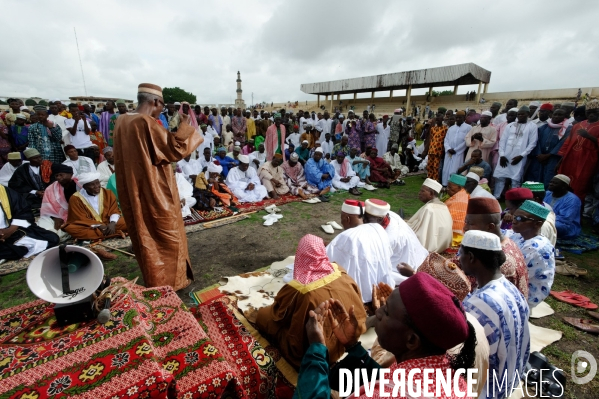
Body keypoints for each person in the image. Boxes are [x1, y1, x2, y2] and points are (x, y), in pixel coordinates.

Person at [294, 273, 477, 399]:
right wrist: (353, 346)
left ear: (412, 340)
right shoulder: (444, 372)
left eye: (387, 311)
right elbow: (390, 380)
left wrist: (316, 350)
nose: (377, 313)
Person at [114, 83, 202, 291]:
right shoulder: (145, 122)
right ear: (155, 102)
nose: (162, 108)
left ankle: (155, 278)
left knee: (144, 233)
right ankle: (171, 282)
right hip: (154, 189)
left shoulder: (122, 121)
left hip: (133, 188)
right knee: (167, 234)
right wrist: (185, 126)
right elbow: (174, 150)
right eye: (162, 104)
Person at [256, 234, 366, 370]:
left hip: (316, 349)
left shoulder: (299, 289)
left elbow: (278, 314)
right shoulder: (340, 271)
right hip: (350, 337)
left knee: (263, 315)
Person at [460, 230, 530, 399]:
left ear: (471, 257)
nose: (458, 258)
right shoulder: (510, 288)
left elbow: (465, 355)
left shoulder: (481, 303)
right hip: (510, 380)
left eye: (460, 253)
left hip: (488, 390)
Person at [461, 197, 529, 298]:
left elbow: (465, 288)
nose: (465, 228)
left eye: (470, 224)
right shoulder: (504, 241)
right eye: (465, 222)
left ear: (490, 227)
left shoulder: (496, 260)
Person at [503, 200, 555, 309]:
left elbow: (511, 273)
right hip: (514, 283)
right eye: (514, 216)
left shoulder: (537, 248)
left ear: (538, 224)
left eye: (520, 218)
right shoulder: (520, 235)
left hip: (524, 296)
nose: (514, 221)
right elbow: (500, 235)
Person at [326, 221, 394, 303]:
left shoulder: (348, 237)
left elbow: (330, 259)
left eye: (342, 219)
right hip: (381, 292)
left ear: (347, 218)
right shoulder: (378, 230)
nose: (342, 222)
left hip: (360, 299)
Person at [364, 199, 428, 284]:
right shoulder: (387, 214)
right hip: (414, 254)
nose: (363, 221)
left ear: (379, 219)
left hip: (404, 268)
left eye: (367, 219)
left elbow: (373, 261)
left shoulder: (388, 238)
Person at [0, 183, 59, 260]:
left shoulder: (5, 192)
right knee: (15, 251)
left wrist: (10, 230)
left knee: (53, 238)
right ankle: (17, 250)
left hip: (13, 230)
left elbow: (23, 211)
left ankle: (18, 250)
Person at [557, 100, 599, 203]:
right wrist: (561, 160)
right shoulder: (578, 125)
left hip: (587, 162)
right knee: (564, 184)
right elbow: (567, 142)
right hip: (570, 160)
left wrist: (589, 136)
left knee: (579, 188)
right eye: (589, 112)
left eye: (595, 112)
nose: (591, 114)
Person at [63, 172, 127, 241]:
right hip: (90, 226)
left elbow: (114, 210)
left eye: (97, 183)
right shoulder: (75, 198)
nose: (96, 186)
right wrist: (98, 225)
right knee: (71, 229)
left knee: (129, 221)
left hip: (108, 222)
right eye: (92, 185)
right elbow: (79, 219)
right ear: (84, 187)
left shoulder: (108, 193)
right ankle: (113, 233)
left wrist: (112, 223)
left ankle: (104, 234)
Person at [493, 106, 538, 198]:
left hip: (519, 157)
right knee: (500, 177)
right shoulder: (510, 125)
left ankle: (514, 198)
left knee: (515, 179)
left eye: (522, 114)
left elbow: (532, 143)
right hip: (505, 156)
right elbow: (503, 141)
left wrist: (521, 156)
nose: (520, 116)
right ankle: (496, 197)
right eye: (519, 114)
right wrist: (501, 155)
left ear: (528, 115)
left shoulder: (532, 126)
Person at [523, 108, 568, 188]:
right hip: (538, 157)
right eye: (555, 114)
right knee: (535, 177)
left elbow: (563, 143)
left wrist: (549, 155)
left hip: (553, 158)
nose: (557, 116)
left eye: (560, 115)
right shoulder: (543, 127)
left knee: (549, 177)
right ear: (551, 115)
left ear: (564, 117)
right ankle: (534, 196)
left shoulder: (567, 129)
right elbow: (536, 141)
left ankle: (546, 197)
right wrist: (539, 154)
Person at [407, 178, 453, 253]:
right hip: (443, 246)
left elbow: (418, 232)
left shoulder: (428, 208)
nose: (419, 193)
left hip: (431, 248)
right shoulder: (444, 206)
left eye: (422, 191)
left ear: (431, 193)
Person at [38, 164, 78, 240]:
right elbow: (47, 208)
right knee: (43, 223)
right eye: (56, 176)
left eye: (61, 175)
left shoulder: (80, 186)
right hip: (57, 215)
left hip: (77, 216)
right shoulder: (51, 188)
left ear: (71, 174)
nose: (59, 178)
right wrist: (55, 217)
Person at [544, 175, 581, 240]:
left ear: (564, 187)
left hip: (564, 225)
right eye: (551, 182)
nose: (551, 184)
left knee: (546, 224)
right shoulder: (547, 194)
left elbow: (565, 219)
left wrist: (545, 220)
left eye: (555, 183)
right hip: (545, 219)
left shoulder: (572, 200)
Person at [441, 111, 472, 186]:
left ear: (464, 118)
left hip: (458, 153)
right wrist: (448, 148)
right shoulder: (451, 128)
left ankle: (453, 185)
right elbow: (446, 139)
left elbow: (466, 141)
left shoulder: (468, 127)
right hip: (449, 152)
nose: (458, 119)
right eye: (457, 118)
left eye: (460, 118)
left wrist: (456, 150)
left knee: (455, 169)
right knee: (446, 169)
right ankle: (444, 185)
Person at [422, 112, 447, 181]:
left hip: (438, 151)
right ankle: (429, 179)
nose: (437, 120)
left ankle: (435, 181)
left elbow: (445, 140)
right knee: (430, 166)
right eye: (437, 119)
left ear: (442, 120)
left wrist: (443, 151)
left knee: (436, 167)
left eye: (439, 119)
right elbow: (431, 139)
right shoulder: (433, 128)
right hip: (431, 150)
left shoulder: (445, 129)